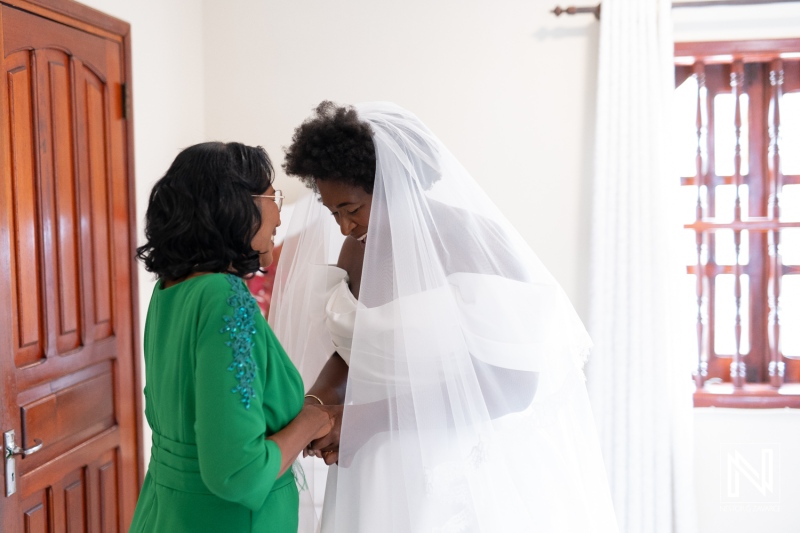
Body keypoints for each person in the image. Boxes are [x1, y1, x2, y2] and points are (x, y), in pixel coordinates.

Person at [271, 102, 619, 532]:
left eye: (352, 209)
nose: (343, 227)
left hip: (444, 465)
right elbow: (358, 346)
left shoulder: (474, 242)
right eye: (333, 212)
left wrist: (365, 420)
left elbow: (515, 383)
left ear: (396, 184)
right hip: (366, 468)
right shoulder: (355, 250)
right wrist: (317, 404)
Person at [129, 142, 333, 533]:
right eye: (272, 195)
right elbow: (239, 473)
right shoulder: (224, 297)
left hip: (165, 513)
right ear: (236, 205)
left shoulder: (170, 290)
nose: (277, 211)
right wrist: (313, 419)